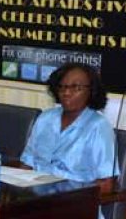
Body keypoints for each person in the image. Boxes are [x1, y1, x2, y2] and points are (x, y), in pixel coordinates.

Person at [20, 63, 118, 196]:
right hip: (36, 200)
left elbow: (107, 184)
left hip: (74, 204)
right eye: (62, 87)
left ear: (91, 91)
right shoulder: (46, 118)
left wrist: (68, 196)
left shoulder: (98, 126)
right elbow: (27, 164)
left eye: (76, 88)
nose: (66, 93)